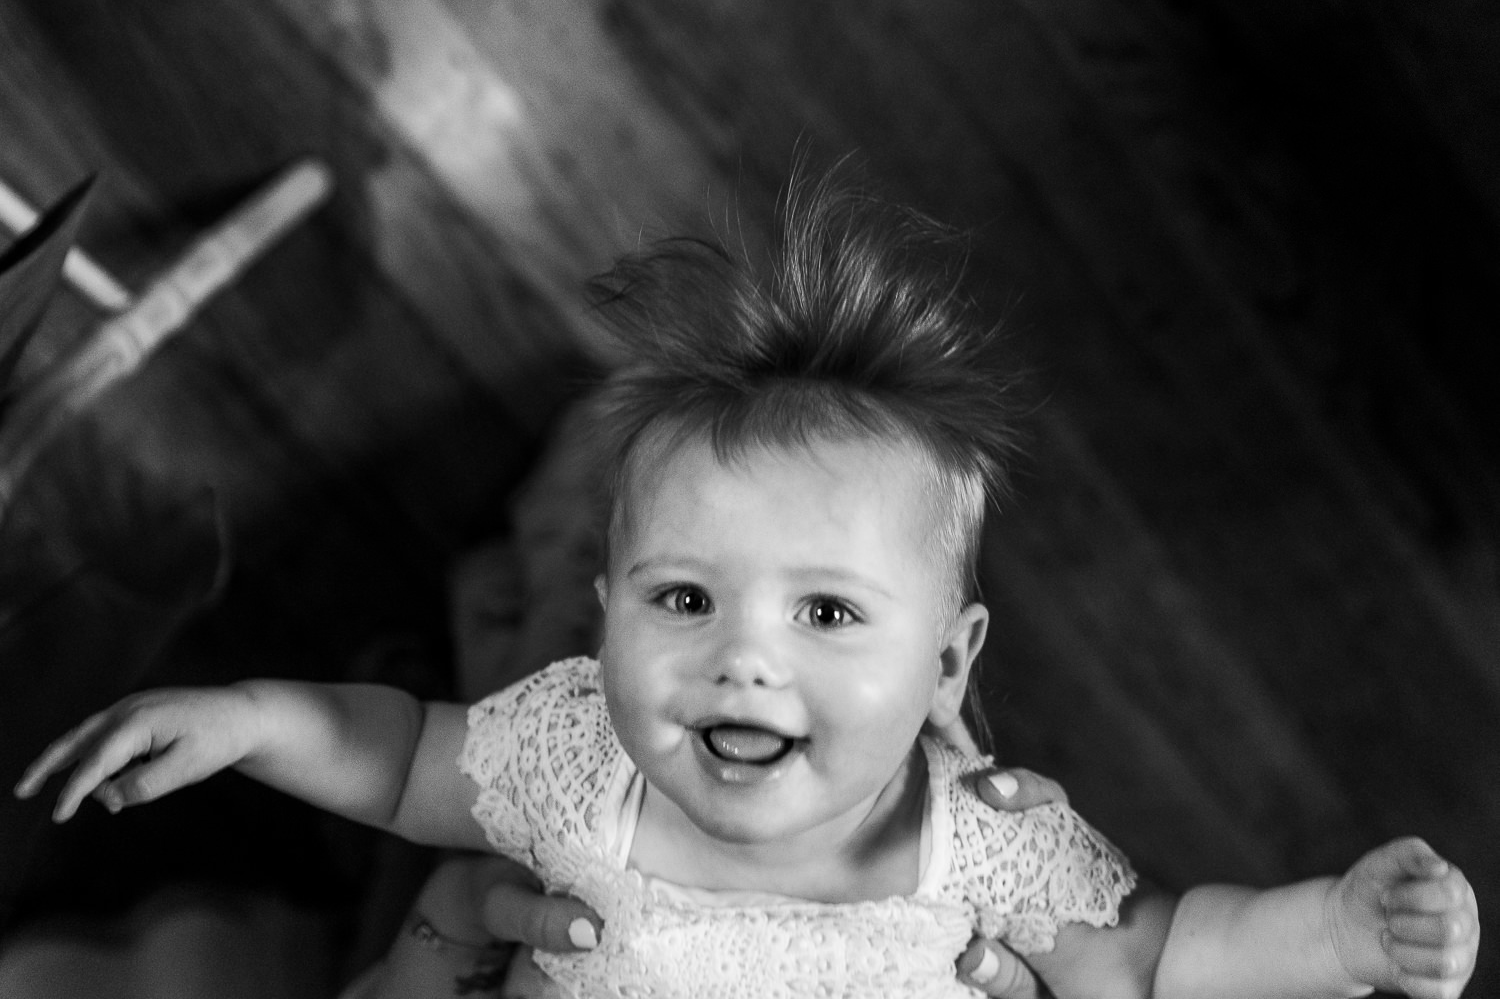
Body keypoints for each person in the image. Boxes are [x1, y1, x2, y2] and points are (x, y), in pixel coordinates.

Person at [14, 172, 1479, 999]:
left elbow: (1169, 954)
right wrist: (250, 722)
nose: (740, 662)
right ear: (605, 617)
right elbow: (401, 751)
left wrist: (1339, 932)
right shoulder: (579, 765)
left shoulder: (979, 858)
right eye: (682, 600)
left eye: (826, 612)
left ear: (952, 668)